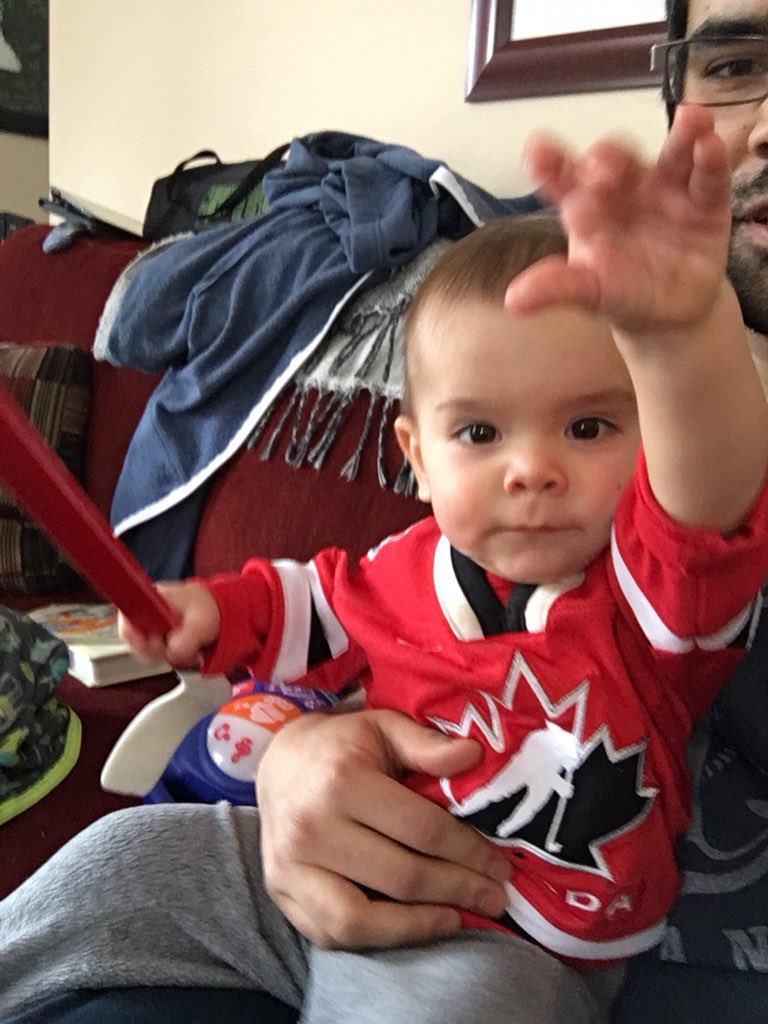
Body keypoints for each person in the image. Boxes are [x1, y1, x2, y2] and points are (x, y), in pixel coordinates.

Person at [2, 105, 768, 1024]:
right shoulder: (411, 563)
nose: (530, 469)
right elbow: (311, 601)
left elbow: (705, 502)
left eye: (590, 426)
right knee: (121, 855)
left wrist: (685, 341)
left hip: (496, 936)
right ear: (415, 454)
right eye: (480, 432)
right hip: (320, 875)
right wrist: (213, 613)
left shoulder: (649, 601)